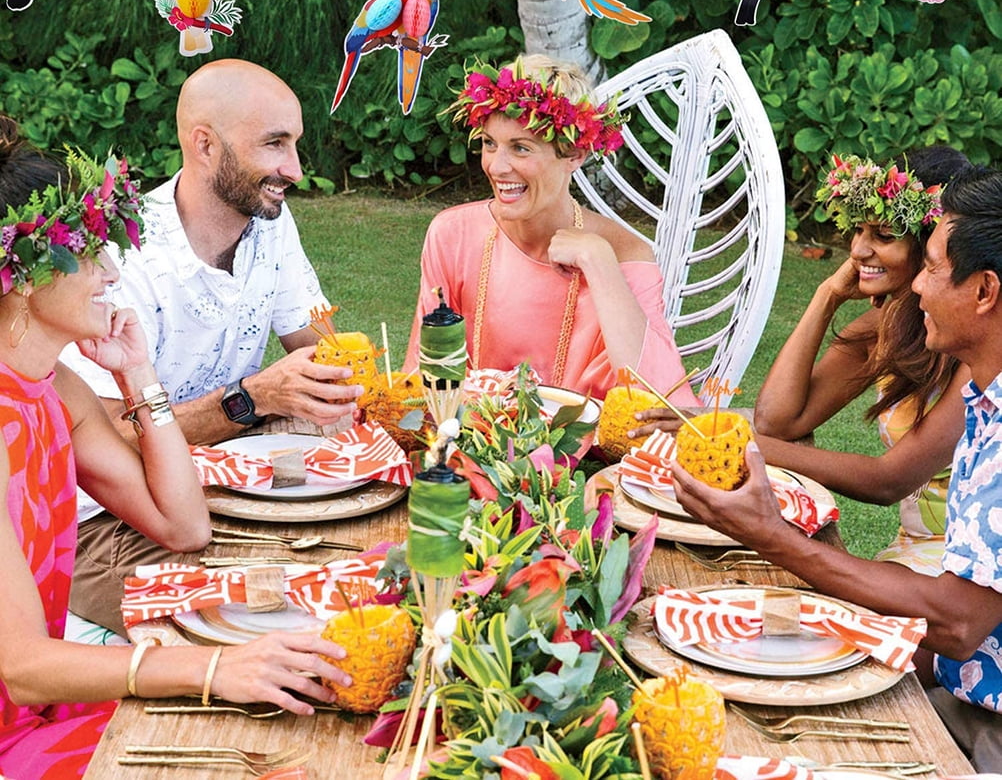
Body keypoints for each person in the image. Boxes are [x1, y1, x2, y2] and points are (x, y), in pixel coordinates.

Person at [0, 121, 351, 780]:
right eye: (91, 251)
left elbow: (182, 525)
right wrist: (217, 669)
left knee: (291, 729)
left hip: (43, 715)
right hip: (17, 733)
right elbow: (22, 669)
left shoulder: (59, 387)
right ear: (22, 276)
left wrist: (140, 375)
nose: (111, 270)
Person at [671, 164, 1002, 771]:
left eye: (930, 266)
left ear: (984, 291)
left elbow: (958, 624)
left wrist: (772, 535)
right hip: (962, 681)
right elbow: (780, 419)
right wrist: (826, 294)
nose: (920, 288)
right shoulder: (987, 396)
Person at [62, 58, 363, 634]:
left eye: (295, 144)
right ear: (204, 145)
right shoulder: (121, 259)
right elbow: (111, 439)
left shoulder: (270, 220)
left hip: (217, 489)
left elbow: (320, 339)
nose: (295, 169)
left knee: (346, 563)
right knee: (272, 614)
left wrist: (353, 370)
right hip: (106, 522)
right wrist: (250, 398)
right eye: (275, 144)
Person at [635, 147, 971, 575]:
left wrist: (734, 442)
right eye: (859, 231)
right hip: (915, 547)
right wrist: (826, 295)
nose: (859, 250)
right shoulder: (883, 329)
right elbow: (780, 419)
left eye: (883, 236)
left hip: (965, 554)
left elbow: (889, 480)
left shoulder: (974, 349)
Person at [404, 55, 699, 404]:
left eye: (520, 148)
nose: (497, 166)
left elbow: (662, 402)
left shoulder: (624, 254)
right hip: (464, 441)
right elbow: (419, 380)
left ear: (574, 154)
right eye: (489, 143)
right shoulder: (453, 235)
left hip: (592, 454)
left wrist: (598, 261)